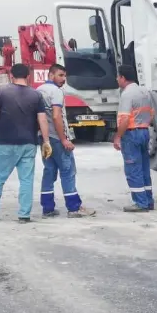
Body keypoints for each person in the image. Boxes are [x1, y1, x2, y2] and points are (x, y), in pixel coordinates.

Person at [0, 63, 52, 223]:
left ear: (11, 76)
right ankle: (24, 215)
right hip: (28, 144)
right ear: (28, 77)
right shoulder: (36, 95)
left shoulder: (2, 92)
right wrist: (46, 141)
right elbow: (42, 119)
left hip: (5, 142)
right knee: (26, 179)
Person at [37, 64, 95, 218]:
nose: (63, 79)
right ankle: (73, 208)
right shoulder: (56, 92)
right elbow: (56, 116)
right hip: (56, 138)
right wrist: (64, 139)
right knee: (68, 171)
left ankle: (47, 208)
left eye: (64, 76)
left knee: (49, 172)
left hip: (44, 139)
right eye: (60, 75)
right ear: (51, 75)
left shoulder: (38, 91)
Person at [113, 65, 155, 212]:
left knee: (133, 169)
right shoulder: (145, 92)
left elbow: (124, 119)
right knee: (144, 168)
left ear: (123, 78)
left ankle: (140, 203)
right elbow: (152, 113)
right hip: (144, 131)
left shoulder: (127, 94)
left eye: (118, 77)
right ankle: (149, 201)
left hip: (131, 134)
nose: (117, 79)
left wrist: (118, 137)